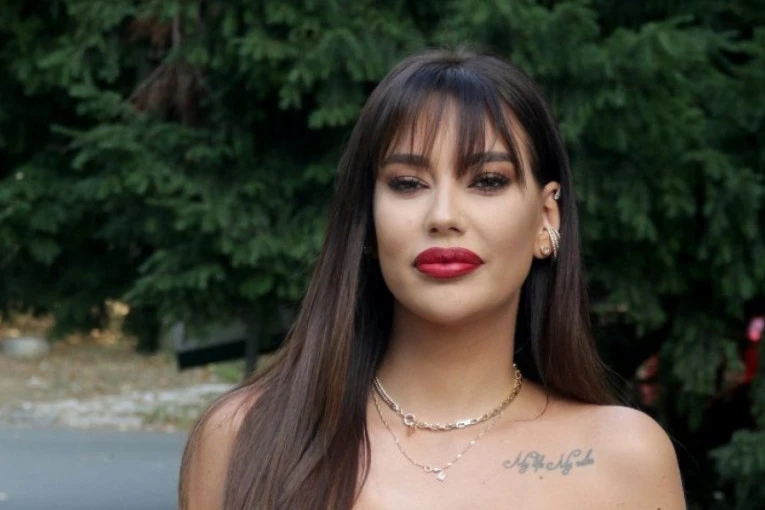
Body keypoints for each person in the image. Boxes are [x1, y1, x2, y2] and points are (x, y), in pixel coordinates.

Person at [179, 49, 686, 510]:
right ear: (369, 222)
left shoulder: (625, 458)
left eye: (487, 181)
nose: (443, 216)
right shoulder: (243, 437)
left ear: (546, 218)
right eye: (407, 183)